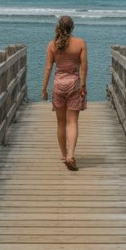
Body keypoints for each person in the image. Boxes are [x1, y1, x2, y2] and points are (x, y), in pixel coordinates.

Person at [40, 15, 87, 171]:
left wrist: (44, 88)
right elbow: (83, 68)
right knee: (72, 122)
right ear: (72, 27)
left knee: (61, 123)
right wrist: (83, 86)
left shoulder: (52, 45)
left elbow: (48, 68)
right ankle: (71, 155)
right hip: (74, 84)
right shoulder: (80, 43)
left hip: (58, 85)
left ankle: (64, 154)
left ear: (58, 27)